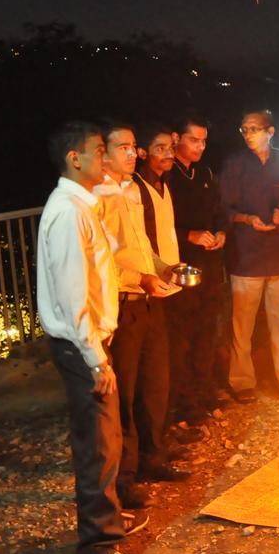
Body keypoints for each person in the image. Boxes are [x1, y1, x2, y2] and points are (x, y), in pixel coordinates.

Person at [37, 120, 151, 554]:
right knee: (99, 446)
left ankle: (106, 521)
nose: (106, 159)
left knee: (104, 439)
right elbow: (71, 293)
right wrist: (95, 357)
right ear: (74, 158)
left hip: (88, 344)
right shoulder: (68, 213)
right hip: (81, 346)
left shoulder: (83, 204)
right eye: (99, 150)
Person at [94, 119, 190, 510]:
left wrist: (162, 268)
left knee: (155, 384)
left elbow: (139, 244)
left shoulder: (131, 190)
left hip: (149, 300)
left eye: (135, 147)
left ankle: (153, 458)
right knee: (125, 395)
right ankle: (124, 480)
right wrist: (141, 279)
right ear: (103, 153)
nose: (133, 154)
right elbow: (101, 262)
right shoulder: (96, 197)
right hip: (124, 303)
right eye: (124, 148)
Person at [219, 109, 279, 397]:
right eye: (244, 129)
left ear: (270, 132)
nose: (247, 135)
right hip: (246, 257)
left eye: (254, 129)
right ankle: (242, 382)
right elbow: (225, 209)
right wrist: (247, 219)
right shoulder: (234, 165)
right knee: (242, 327)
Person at [165, 113, 236, 415]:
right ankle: (184, 400)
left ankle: (205, 390)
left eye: (204, 141)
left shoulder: (205, 174)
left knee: (208, 331)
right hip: (181, 269)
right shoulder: (167, 177)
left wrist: (221, 232)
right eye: (194, 140)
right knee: (182, 336)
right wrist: (189, 236)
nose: (200, 146)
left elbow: (221, 211)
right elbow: (158, 227)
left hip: (210, 266)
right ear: (176, 139)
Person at [133, 122, 199, 439]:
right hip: (153, 287)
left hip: (172, 281)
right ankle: (160, 431)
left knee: (176, 354)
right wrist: (159, 271)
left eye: (170, 148)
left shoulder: (164, 183)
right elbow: (142, 242)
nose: (168, 154)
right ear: (142, 153)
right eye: (159, 149)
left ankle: (171, 423)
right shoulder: (136, 189)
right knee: (158, 367)